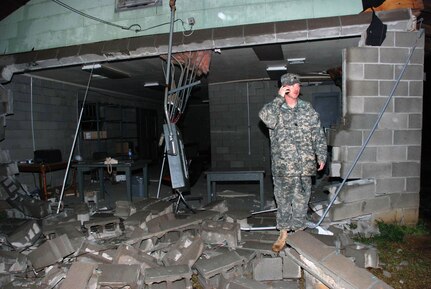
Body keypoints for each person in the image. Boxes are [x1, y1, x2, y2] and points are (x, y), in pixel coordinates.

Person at [259, 73, 327, 252]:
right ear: (283, 88)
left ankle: (298, 231)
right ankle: (283, 233)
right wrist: (278, 99)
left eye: (298, 85)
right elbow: (266, 119)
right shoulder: (275, 109)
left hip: (305, 165)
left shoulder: (307, 108)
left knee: (301, 200)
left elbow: (317, 133)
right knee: (283, 201)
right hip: (283, 166)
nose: (296, 88)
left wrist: (321, 155)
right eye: (290, 85)